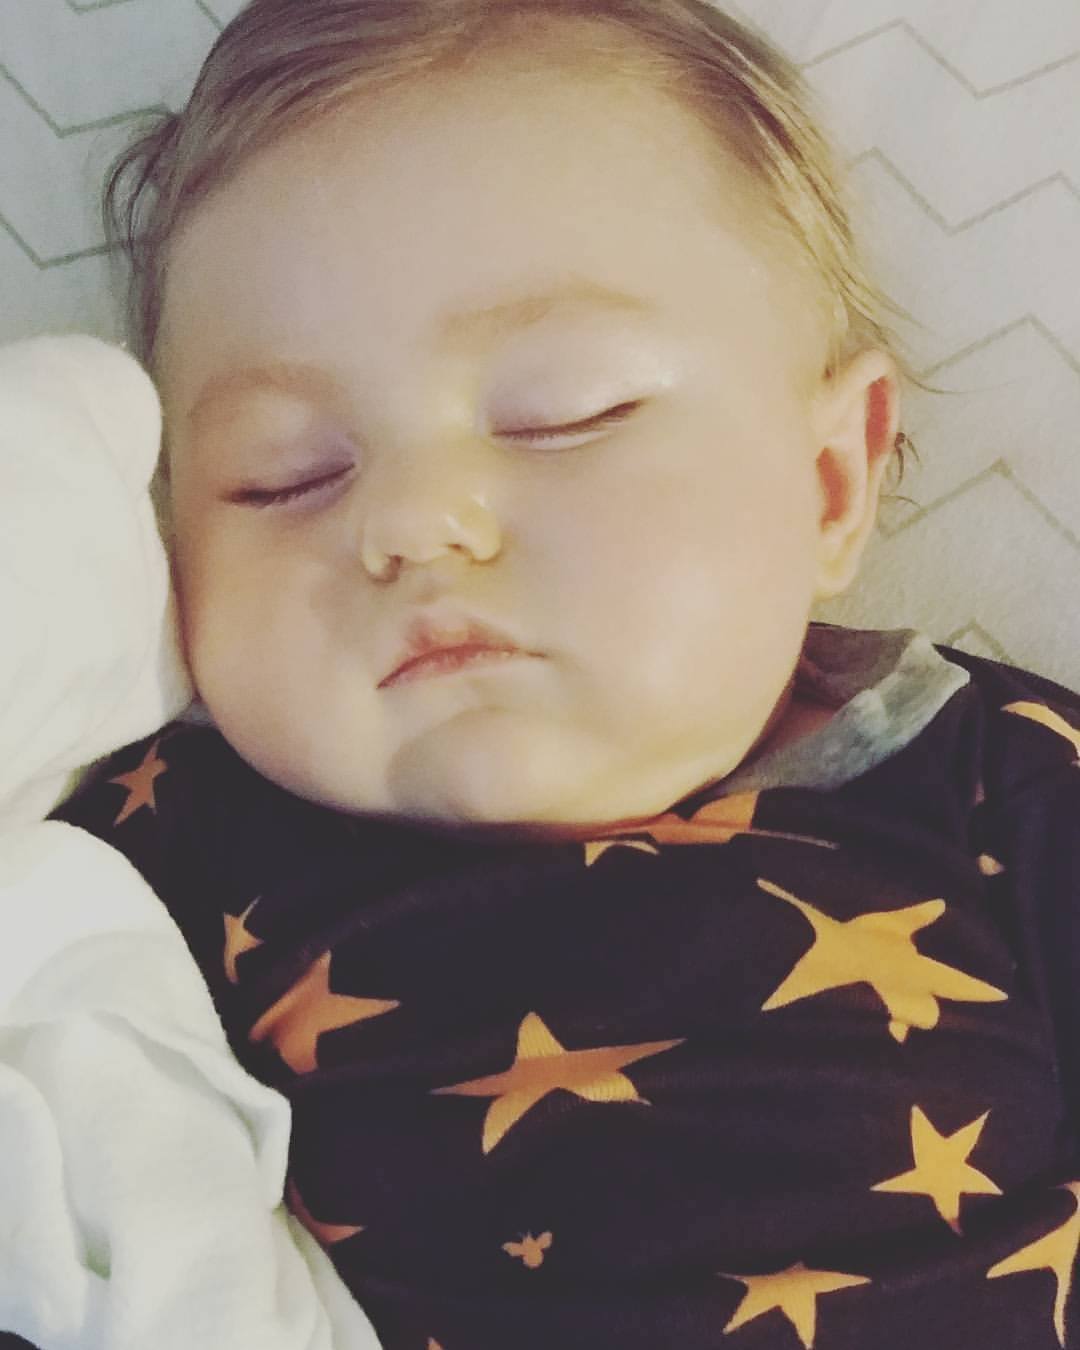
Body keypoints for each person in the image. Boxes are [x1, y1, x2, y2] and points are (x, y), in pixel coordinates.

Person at [55, 1, 1080, 1346]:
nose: (413, 522)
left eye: (563, 415)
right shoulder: (154, 851)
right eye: (284, 475)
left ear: (831, 480)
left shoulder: (999, 778)